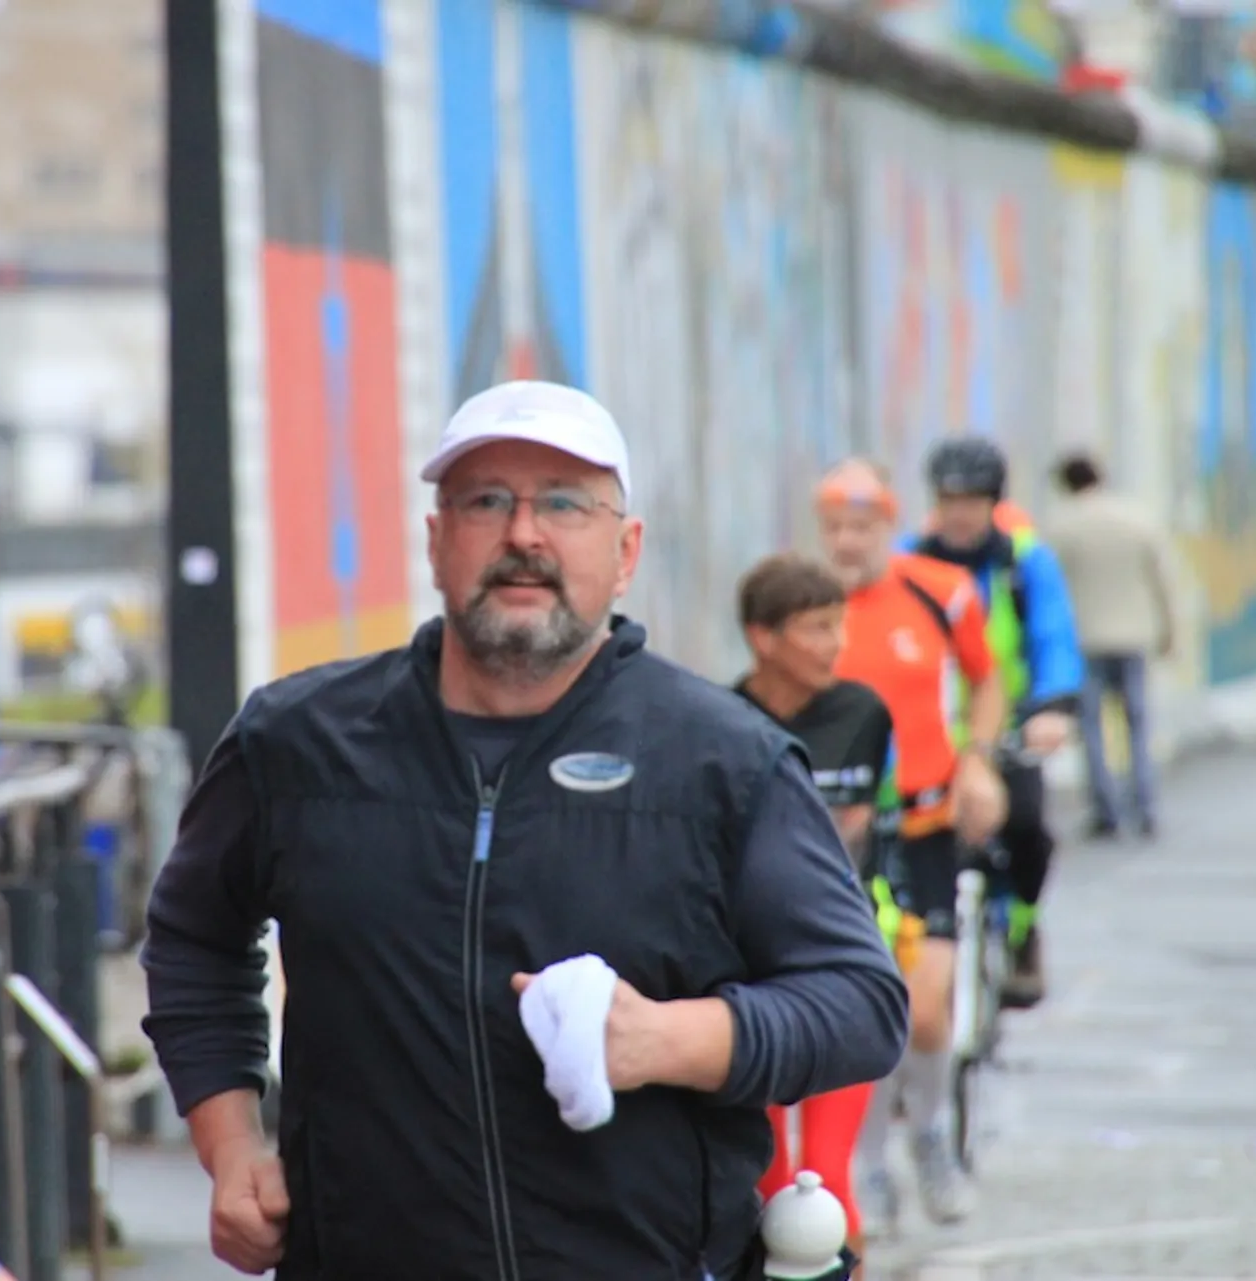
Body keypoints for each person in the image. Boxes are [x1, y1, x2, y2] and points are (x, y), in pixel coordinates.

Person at [141, 379, 908, 1281]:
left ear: (624, 552)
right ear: (437, 540)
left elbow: (862, 1002)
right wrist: (231, 1145)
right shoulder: (296, 741)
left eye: (564, 503)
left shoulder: (723, 760)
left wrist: (667, 1038)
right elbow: (193, 935)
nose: (523, 534)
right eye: (487, 500)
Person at [812, 459, 1008, 1235]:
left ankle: (928, 1132)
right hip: (841, 838)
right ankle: (865, 1167)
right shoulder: (807, 607)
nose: (847, 540)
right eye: (833, 527)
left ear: (887, 526)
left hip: (926, 828)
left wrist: (981, 760)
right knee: (864, 1004)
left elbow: (987, 679)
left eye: (861, 526)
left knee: (926, 1009)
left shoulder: (938, 590)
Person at [732, 552, 898, 1271]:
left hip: (841, 966)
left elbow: (873, 829)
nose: (834, 644)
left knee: (827, 1186)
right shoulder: (720, 720)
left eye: (839, 626)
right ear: (762, 637)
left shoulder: (863, 711)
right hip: (749, 976)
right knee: (766, 1190)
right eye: (814, 628)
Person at [907, 437, 1084, 1011]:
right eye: (948, 500)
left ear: (993, 503)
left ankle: (1023, 932)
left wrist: (1052, 710)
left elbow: (1053, 640)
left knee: (1029, 829)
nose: (958, 513)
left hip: (1006, 732)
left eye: (972, 500)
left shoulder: (1024, 564)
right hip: (927, 740)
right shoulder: (907, 562)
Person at [1042, 450, 1177, 839]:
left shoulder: (1061, 527)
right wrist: (1169, 632)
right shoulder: (1136, 520)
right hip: (1133, 636)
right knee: (1137, 723)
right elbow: (1163, 581)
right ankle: (1145, 805)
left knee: (1092, 728)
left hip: (1084, 640)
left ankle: (1107, 810)